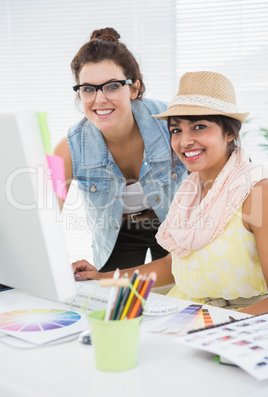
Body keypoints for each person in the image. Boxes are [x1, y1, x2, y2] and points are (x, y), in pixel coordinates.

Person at [73, 70, 268, 315]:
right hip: (188, 311)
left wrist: (217, 328)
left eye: (199, 127)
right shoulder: (189, 191)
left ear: (229, 133)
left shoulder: (258, 193)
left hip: (239, 324)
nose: (185, 141)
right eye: (176, 130)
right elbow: (174, 264)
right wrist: (102, 277)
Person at [55, 27, 186, 272]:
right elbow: (42, 221)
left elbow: (219, 163)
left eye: (112, 86)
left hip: (175, 223)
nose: (100, 99)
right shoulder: (68, 149)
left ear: (134, 89)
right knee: (112, 297)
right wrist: (55, 268)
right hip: (117, 232)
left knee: (182, 290)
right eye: (88, 89)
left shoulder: (170, 123)